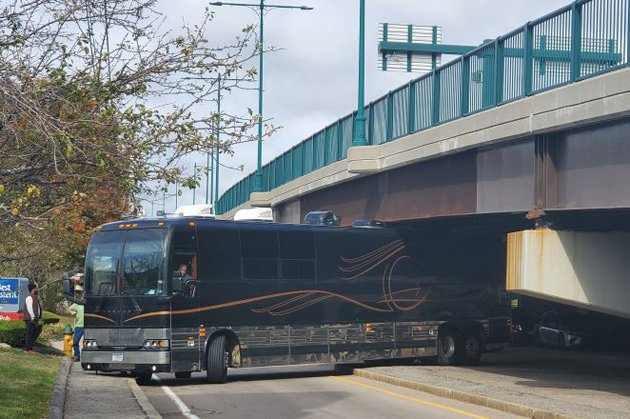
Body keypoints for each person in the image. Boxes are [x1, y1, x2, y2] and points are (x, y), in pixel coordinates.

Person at [24, 282, 42, 353]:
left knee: (33, 333)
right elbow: (29, 308)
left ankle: (30, 348)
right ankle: (28, 349)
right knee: (30, 333)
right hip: (30, 319)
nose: (36, 289)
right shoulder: (29, 297)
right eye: (35, 288)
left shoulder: (35, 297)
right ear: (33, 289)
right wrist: (32, 317)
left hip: (34, 319)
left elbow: (37, 308)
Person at [68, 283, 84, 362]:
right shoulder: (77, 303)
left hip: (88, 326)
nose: (78, 294)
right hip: (79, 326)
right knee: (75, 341)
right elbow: (69, 309)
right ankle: (77, 355)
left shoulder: (87, 302)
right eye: (77, 292)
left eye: (79, 292)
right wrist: (72, 313)